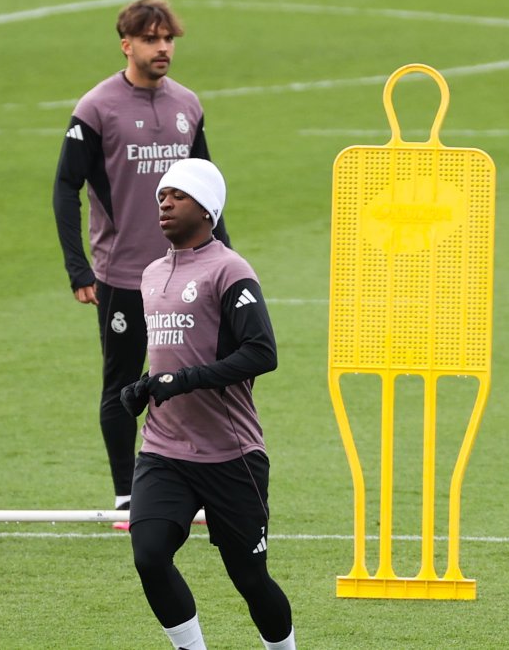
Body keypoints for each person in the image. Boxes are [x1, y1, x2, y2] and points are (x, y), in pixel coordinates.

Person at [52, 0, 230, 515]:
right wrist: (77, 267)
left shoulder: (188, 105)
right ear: (126, 44)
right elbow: (66, 188)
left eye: (168, 39)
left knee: (194, 375)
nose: (162, 48)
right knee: (125, 381)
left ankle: (195, 479)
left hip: (193, 271)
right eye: (151, 39)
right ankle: (128, 495)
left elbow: (209, 189)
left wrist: (227, 256)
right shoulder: (96, 108)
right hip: (124, 274)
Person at [119, 159, 295, 649]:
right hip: (163, 450)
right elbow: (168, 358)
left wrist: (185, 380)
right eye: (161, 197)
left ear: (207, 208)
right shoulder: (150, 275)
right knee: (150, 555)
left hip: (230, 454)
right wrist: (144, 386)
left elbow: (262, 352)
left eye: (178, 195)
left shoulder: (230, 269)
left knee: (250, 579)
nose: (165, 204)